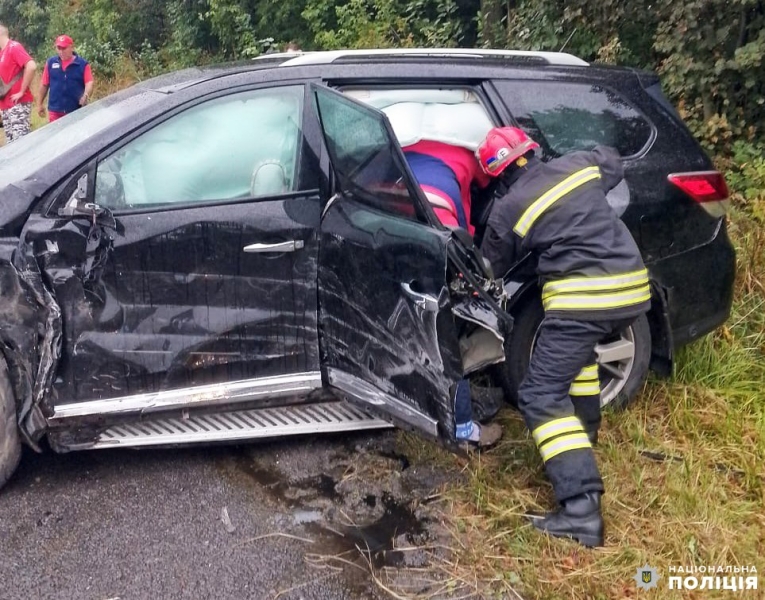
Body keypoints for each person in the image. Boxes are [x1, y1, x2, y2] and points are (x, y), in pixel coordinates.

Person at [475, 126, 651, 547]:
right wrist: (583, 150)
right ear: (531, 151)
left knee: (539, 394)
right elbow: (612, 159)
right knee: (579, 359)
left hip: (583, 300)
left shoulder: (507, 209)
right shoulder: (580, 166)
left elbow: (489, 270)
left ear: (496, 175)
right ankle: (582, 437)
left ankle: (580, 509)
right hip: (631, 289)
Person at [402, 138, 502, 449]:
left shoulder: (394, 143)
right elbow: (487, 180)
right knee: (445, 338)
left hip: (397, 232)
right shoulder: (464, 149)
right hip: (440, 236)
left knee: (411, 324)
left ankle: (411, 398)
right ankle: (463, 429)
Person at [36, 35, 93, 123]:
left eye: (64, 48)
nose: (61, 51)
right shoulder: (51, 63)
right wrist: (39, 104)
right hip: (55, 111)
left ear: (72, 48)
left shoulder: (82, 64)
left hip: (75, 110)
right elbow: (44, 84)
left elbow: (89, 82)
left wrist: (85, 95)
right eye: (59, 48)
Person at [0, 23, 36, 142]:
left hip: (18, 103)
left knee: (21, 143)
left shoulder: (13, 47)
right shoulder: (2, 53)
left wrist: (22, 91)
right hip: (6, 105)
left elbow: (31, 66)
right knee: (11, 144)